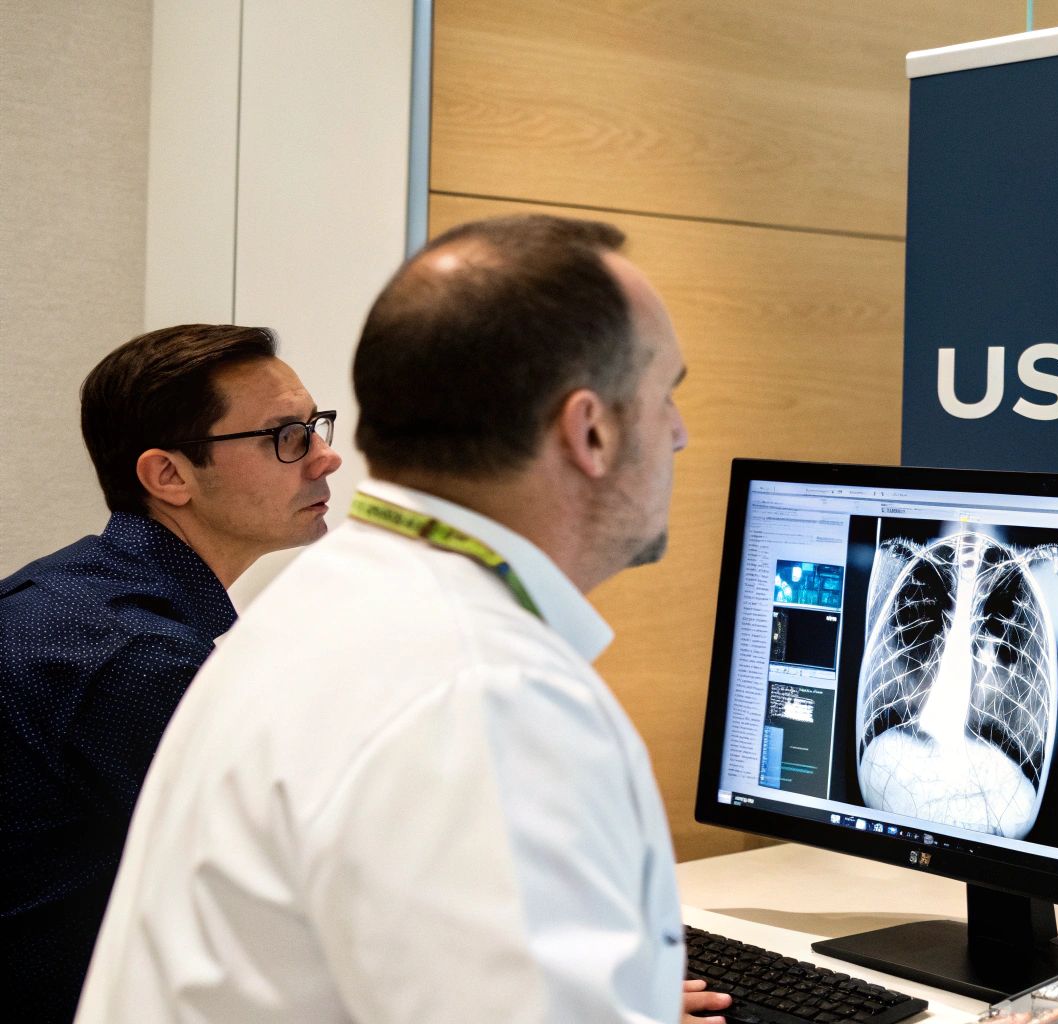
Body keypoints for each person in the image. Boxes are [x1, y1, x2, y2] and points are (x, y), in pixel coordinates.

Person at [76, 215, 731, 1024]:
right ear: (589, 429)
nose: (679, 432)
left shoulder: (327, 606)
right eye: (665, 393)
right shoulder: (484, 693)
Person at [0, 324, 343, 1022]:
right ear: (169, 476)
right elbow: (306, 893)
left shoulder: (69, 591)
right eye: (286, 436)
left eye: (314, 426)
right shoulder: (138, 663)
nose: (325, 458)